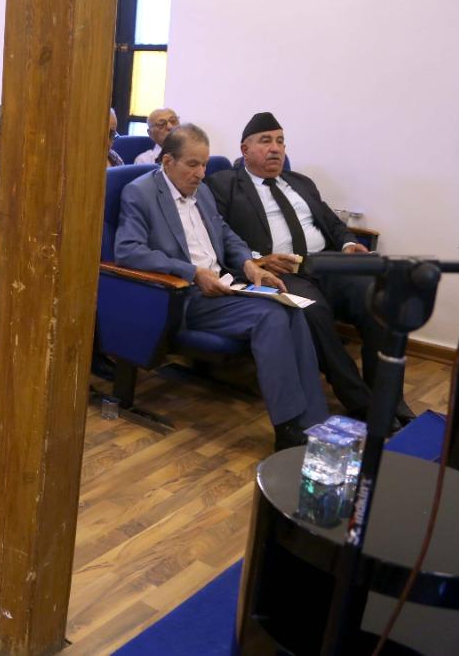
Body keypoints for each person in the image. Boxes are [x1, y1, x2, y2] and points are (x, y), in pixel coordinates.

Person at [114, 124, 329, 450]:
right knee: (270, 317)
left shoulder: (201, 192)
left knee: (291, 309)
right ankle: (288, 429)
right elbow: (128, 250)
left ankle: (313, 421)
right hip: (184, 295)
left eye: (204, 164)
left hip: (225, 286)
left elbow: (226, 234)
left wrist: (249, 263)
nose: (201, 173)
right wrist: (192, 272)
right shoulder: (140, 193)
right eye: (193, 164)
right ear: (168, 161)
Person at [206, 112, 410, 423]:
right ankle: (361, 402)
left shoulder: (301, 183)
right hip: (279, 272)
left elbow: (331, 222)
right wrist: (257, 259)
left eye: (280, 141)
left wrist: (347, 244)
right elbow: (219, 234)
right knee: (313, 312)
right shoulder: (224, 185)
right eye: (266, 141)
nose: (275, 148)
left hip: (326, 263)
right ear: (244, 149)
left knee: (381, 300)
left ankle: (390, 400)